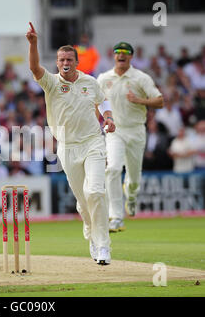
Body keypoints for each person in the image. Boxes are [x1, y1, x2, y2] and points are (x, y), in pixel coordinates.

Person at [26, 22, 116, 265]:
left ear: (76, 62)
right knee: (83, 201)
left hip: (93, 142)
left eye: (69, 59)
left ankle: (103, 246)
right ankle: (90, 230)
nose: (65, 63)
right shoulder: (52, 83)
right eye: (61, 60)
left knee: (95, 191)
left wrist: (108, 117)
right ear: (57, 63)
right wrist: (34, 43)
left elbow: (103, 101)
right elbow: (34, 68)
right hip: (67, 147)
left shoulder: (90, 82)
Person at [97, 42, 164, 232]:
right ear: (114, 56)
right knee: (113, 169)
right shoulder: (104, 78)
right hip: (114, 130)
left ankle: (132, 197)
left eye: (125, 53)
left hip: (135, 130)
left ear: (131, 57)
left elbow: (159, 100)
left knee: (134, 178)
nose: (121, 56)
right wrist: (96, 123)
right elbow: (97, 102)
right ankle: (116, 217)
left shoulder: (140, 78)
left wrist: (139, 100)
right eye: (118, 52)